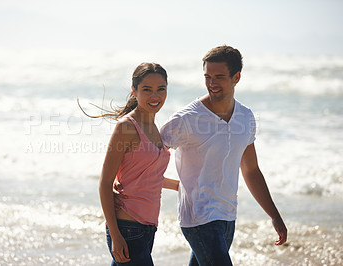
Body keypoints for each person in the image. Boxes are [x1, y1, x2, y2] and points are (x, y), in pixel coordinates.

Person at [160, 45, 288, 265]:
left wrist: (274, 215)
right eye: (207, 77)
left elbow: (251, 170)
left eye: (219, 77)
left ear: (236, 77)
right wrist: (174, 185)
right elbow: (145, 155)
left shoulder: (245, 117)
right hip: (198, 217)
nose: (211, 83)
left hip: (228, 215)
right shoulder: (187, 119)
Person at [81, 63, 179, 265]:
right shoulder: (126, 127)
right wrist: (115, 235)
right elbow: (105, 182)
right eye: (147, 90)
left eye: (161, 89)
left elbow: (147, 177)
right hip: (127, 227)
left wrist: (180, 186)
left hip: (147, 227)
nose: (155, 96)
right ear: (134, 91)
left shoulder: (152, 126)